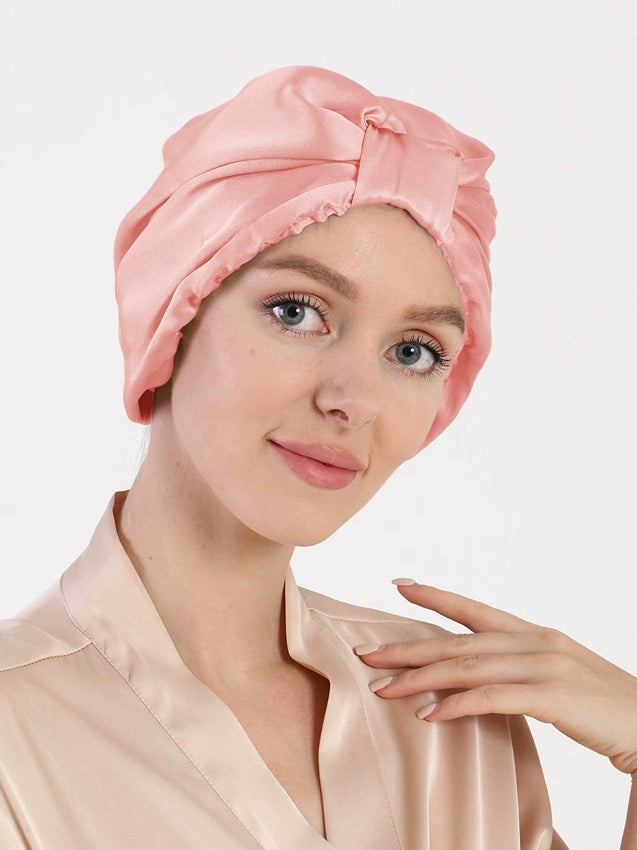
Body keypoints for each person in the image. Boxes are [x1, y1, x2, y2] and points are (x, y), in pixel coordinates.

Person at [0, 65, 635, 850]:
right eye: (296, 312)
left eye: (412, 351)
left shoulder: (453, 714)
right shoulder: (17, 731)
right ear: (173, 314)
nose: (351, 399)